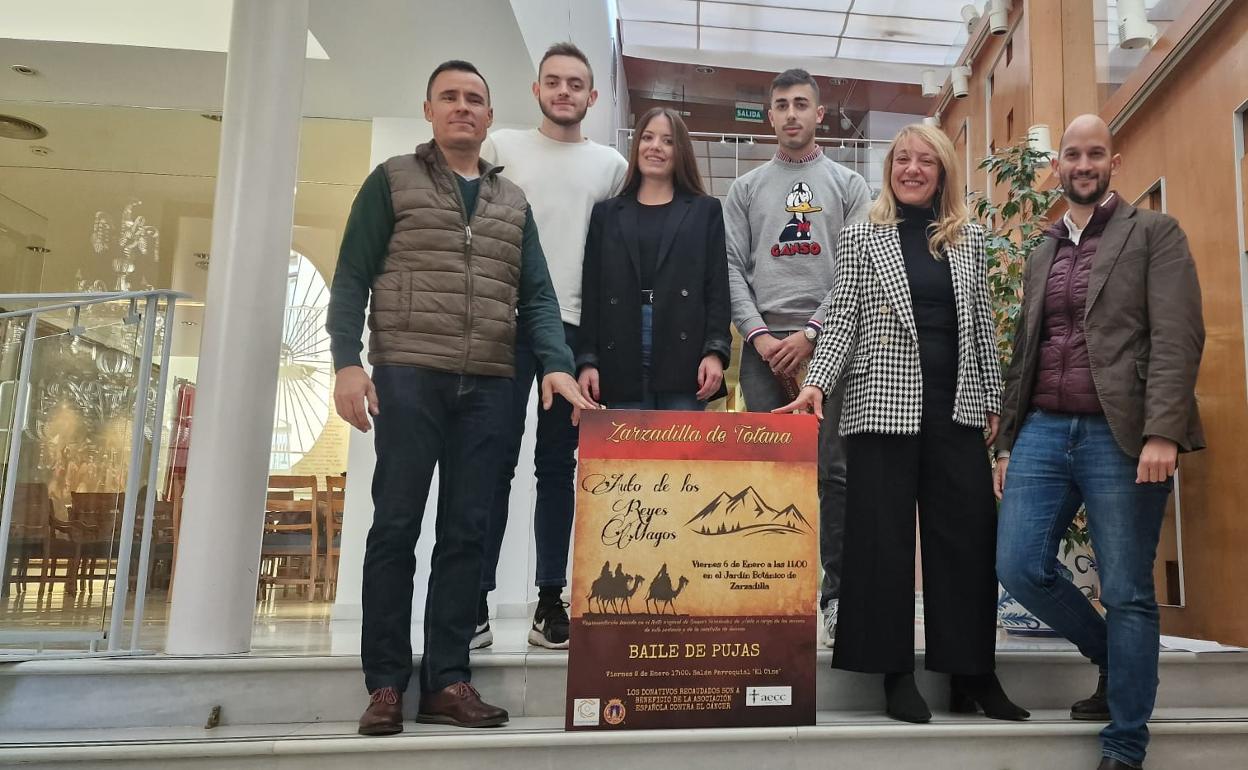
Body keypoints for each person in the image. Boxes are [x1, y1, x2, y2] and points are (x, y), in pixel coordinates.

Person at [326, 60, 595, 736]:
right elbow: (352, 274)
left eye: (474, 99)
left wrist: (557, 366)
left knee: (467, 531)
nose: (462, 108)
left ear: (489, 114)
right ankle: (386, 684)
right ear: (429, 110)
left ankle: (447, 680)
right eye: (449, 97)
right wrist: (346, 363)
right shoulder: (392, 180)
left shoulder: (511, 201)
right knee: (396, 526)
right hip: (410, 373)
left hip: (491, 383)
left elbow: (538, 296)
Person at [776, 124, 1027, 725]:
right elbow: (842, 316)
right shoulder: (863, 235)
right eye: (903, 160)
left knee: (967, 539)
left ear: (943, 173)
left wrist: (993, 399)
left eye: (926, 162)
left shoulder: (969, 239)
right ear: (890, 170)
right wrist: (817, 383)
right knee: (881, 541)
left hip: (957, 406)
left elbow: (980, 325)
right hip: (881, 405)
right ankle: (894, 674)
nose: (912, 170)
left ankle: (972, 674)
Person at [994, 115, 1204, 770]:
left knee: (1126, 590)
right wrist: (1006, 443)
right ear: (1057, 165)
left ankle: (1125, 743)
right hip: (1044, 428)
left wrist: (1163, 431)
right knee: (1019, 566)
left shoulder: (1155, 233)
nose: (1082, 165)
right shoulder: (1044, 248)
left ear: (1114, 162)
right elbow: (1026, 350)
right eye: (1071, 155)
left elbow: (1178, 336)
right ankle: (1116, 658)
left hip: (1123, 435)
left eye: (1094, 154)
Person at [476, 42, 627, 652]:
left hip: (572, 331)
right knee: (492, 463)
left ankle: (548, 599)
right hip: (502, 326)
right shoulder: (500, 149)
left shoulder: (611, 166)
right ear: (536, 89)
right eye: (554, 82)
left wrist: (595, 349)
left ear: (593, 96)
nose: (564, 91)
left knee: (558, 469)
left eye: (576, 84)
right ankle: (474, 600)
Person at [725, 68, 872, 647]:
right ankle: (773, 601)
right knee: (768, 477)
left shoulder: (849, 185)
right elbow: (730, 268)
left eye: (801, 104)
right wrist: (759, 337)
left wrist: (814, 333)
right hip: (763, 347)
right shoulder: (744, 189)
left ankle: (836, 598)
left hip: (832, 343)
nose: (791, 113)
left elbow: (856, 270)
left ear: (819, 113)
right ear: (770, 116)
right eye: (781, 104)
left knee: (835, 473)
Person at [577, 107, 731, 410]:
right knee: (625, 442)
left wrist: (715, 351)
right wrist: (587, 360)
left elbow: (717, 289)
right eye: (647, 137)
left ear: (680, 150)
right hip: (620, 342)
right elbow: (593, 291)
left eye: (668, 140)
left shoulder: (705, 211)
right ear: (637, 146)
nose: (655, 146)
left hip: (684, 346)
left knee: (681, 441)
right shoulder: (606, 214)